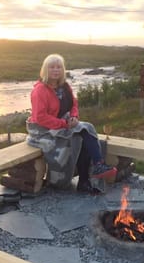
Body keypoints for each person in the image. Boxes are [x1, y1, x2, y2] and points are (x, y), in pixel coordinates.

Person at [26, 53, 116, 193]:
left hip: (62, 122)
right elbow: (40, 117)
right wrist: (64, 124)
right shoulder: (40, 90)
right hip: (43, 130)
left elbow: (74, 104)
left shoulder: (64, 86)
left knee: (84, 133)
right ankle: (88, 173)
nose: (56, 70)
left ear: (63, 70)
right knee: (83, 133)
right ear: (45, 70)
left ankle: (89, 176)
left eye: (59, 67)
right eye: (52, 67)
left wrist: (74, 117)